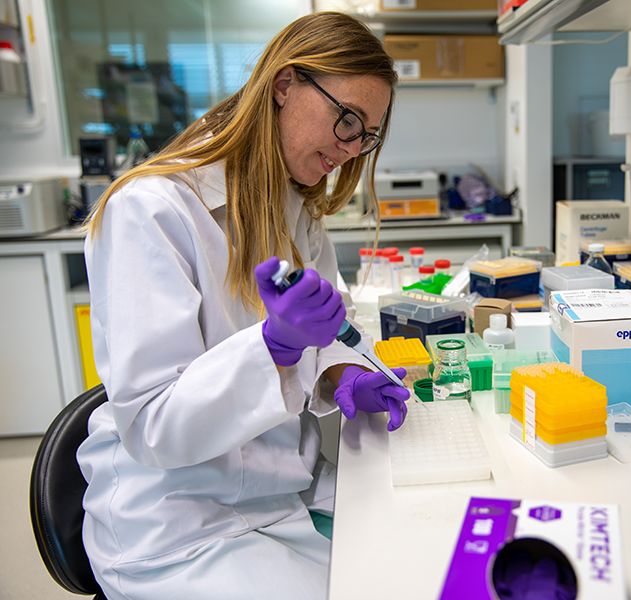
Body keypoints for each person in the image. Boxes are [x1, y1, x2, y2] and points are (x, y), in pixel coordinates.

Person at [77, 12, 409, 600]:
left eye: (367, 134)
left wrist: (344, 373)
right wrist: (273, 346)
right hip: (180, 522)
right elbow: (154, 425)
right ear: (285, 86)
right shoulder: (151, 211)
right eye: (347, 119)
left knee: (415, 555)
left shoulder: (296, 211)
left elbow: (326, 330)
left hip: (281, 488)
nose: (352, 146)